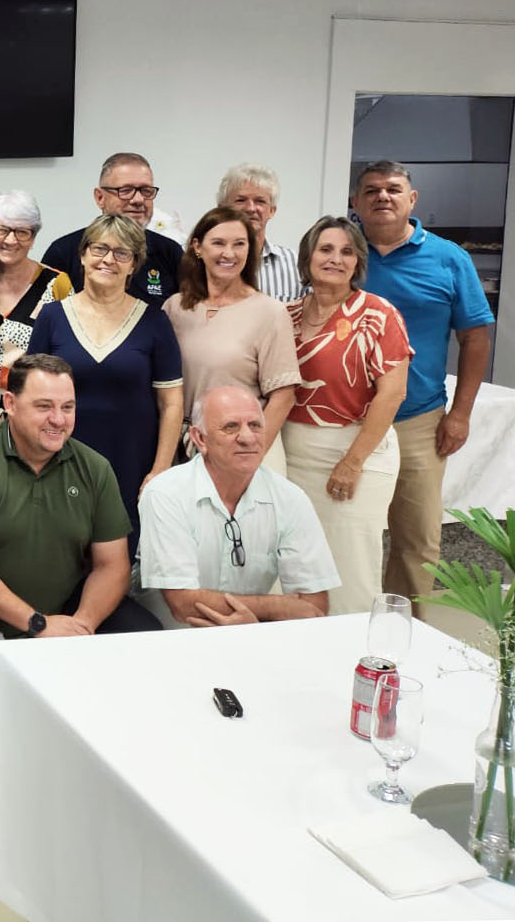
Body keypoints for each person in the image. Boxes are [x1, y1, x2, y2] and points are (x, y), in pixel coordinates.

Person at [0, 353, 160, 641]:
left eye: (68, 407)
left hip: (65, 610)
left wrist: (82, 625)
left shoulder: (94, 468)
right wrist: (37, 623)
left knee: (145, 634)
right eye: (44, 406)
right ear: (10, 404)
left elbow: (112, 565)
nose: (58, 419)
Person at [352, 160, 494, 612]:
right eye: (371, 190)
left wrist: (461, 414)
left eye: (393, 189)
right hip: (346, 420)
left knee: (416, 539)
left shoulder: (450, 258)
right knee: (347, 531)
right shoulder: (342, 253)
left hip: (416, 420)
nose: (382, 196)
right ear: (356, 203)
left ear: (412, 200)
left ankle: (404, 629)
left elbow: (475, 338)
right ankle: (344, 622)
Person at [27, 214, 183, 556]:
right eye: (99, 249)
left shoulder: (154, 322)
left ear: (134, 265)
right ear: (83, 255)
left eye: (122, 253)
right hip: (60, 461)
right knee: (61, 556)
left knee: (121, 560)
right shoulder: (52, 317)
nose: (108, 259)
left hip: (132, 463)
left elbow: (171, 403)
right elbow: (30, 398)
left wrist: (160, 470)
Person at [281, 216, 411, 614]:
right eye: (325, 249)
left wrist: (352, 462)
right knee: (295, 564)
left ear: (358, 262)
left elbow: (393, 393)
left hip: (357, 453)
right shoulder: (287, 315)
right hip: (292, 455)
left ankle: (354, 642)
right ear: (307, 257)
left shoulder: (377, 314)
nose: (335, 259)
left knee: (350, 567)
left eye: (347, 252)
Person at [139, 387, 340, 628]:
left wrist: (253, 625)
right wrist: (277, 607)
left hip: (254, 635)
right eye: (231, 427)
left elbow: (314, 607)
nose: (247, 437)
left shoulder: (291, 498)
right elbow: (182, 604)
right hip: (170, 637)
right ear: (199, 438)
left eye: (255, 425)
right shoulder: (165, 493)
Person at [163, 206, 300, 468]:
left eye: (239, 244)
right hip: (185, 450)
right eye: (218, 243)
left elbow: (283, 396)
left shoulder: (269, 312)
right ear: (197, 247)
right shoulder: (175, 308)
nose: (229, 253)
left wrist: (252, 452)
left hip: (246, 447)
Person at [0, 190, 73, 421]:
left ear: (34, 237)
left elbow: (67, 354)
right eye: (1, 229)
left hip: (35, 414)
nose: (10, 240)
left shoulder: (57, 285)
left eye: (22, 232)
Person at [41, 152, 185, 309]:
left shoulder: (170, 253)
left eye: (146, 191)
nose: (138, 200)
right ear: (100, 198)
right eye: (126, 190)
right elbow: (43, 314)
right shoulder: (63, 252)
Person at [216, 163, 303, 302]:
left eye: (260, 201)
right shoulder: (204, 259)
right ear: (221, 209)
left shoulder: (294, 263)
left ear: (272, 211)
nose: (250, 208)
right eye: (240, 200)